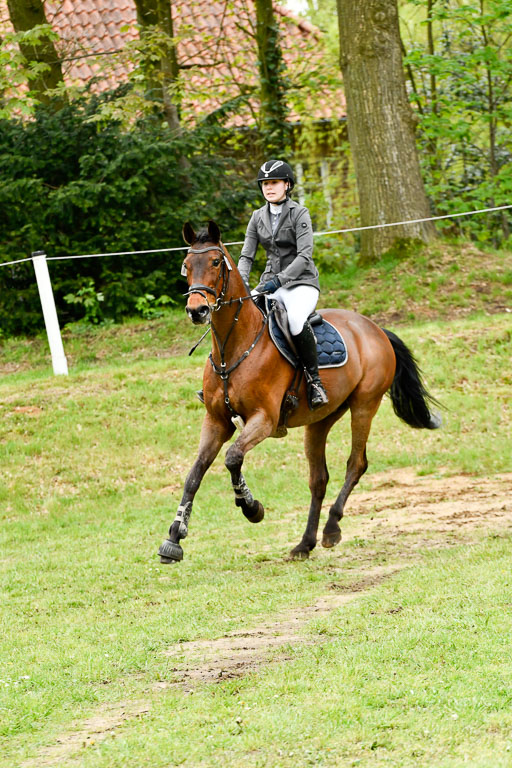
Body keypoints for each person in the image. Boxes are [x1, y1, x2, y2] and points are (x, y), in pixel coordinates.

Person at [237, 159, 328, 409]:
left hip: (301, 282)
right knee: (239, 318)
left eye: (274, 182)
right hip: (269, 283)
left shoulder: (300, 213)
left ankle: (314, 381)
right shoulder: (257, 217)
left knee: (296, 321)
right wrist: (242, 280)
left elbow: (304, 255)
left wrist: (279, 281)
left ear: (287, 185)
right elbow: (246, 255)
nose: (269, 188)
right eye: (265, 184)